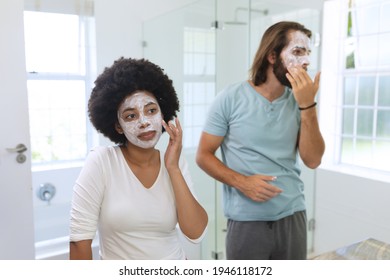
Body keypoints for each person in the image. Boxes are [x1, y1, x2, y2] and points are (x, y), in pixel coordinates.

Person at [196, 21, 325, 260]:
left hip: (293, 215)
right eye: (298, 51)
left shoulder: (300, 100)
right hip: (247, 221)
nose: (306, 61)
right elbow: (203, 155)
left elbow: (313, 159)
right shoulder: (230, 98)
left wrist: (308, 105)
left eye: (308, 53)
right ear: (272, 56)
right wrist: (242, 182)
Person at [69, 57, 208, 260]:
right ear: (118, 126)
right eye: (131, 116)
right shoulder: (102, 161)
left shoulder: (174, 163)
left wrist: (173, 168)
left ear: (162, 114)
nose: (144, 122)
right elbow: (79, 242)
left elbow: (196, 233)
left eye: (151, 110)